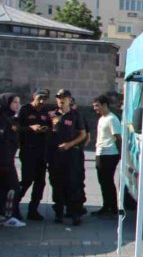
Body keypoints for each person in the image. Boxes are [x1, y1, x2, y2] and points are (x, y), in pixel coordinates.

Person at [48, 89, 87, 225]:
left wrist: (70, 144)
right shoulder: (52, 114)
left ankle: (75, 213)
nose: (60, 100)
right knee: (57, 183)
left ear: (69, 99)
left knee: (73, 184)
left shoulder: (76, 115)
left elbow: (83, 135)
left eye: (63, 97)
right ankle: (58, 212)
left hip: (71, 155)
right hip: (55, 155)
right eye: (58, 97)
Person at [15, 88, 50, 220]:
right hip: (28, 151)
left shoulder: (45, 112)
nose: (41, 101)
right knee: (27, 180)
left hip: (41, 152)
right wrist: (30, 128)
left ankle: (33, 210)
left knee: (40, 182)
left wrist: (46, 129)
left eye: (44, 99)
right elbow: (16, 128)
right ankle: (13, 206)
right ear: (33, 97)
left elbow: (50, 126)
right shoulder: (24, 110)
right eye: (39, 98)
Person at [91, 95, 122, 215]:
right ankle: (106, 206)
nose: (95, 109)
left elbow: (118, 137)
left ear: (104, 105)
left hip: (110, 154)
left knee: (108, 181)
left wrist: (119, 155)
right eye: (94, 106)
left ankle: (113, 208)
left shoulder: (112, 119)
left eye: (97, 106)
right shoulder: (101, 118)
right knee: (102, 181)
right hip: (100, 153)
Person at [0, 93, 25, 227]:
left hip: (8, 161)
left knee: (6, 189)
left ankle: (5, 215)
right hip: (4, 162)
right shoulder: (2, 119)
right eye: (14, 102)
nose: (17, 105)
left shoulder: (11, 118)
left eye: (18, 102)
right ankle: (9, 216)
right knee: (13, 187)